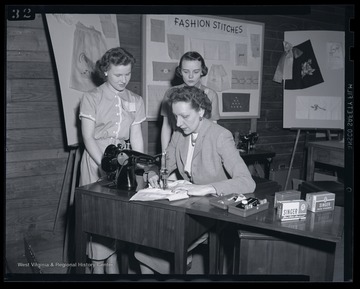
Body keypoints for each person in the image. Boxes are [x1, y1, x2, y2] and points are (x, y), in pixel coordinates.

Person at [134, 86, 256, 274]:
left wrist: (206, 188)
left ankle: (180, 262)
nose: (179, 122)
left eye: (185, 116)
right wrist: (153, 173)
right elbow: (163, 164)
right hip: (190, 206)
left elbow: (247, 182)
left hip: (214, 210)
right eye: (175, 116)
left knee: (163, 239)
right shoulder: (179, 134)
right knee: (145, 239)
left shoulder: (220, 136)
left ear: (200, 111)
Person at [78, 47, 146, 274]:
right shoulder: (91, 97)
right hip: (96, 159)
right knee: (98, 217)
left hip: (124, 161)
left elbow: (136, 137)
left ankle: (113, 263)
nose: (124, 80)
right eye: (118, 75)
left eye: (128, 74)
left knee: (118, 218)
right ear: (106, 71)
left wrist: (140, 167)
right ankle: (97, 267)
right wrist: (105, 166)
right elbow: (87, 137)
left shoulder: (135, 99)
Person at [160, 51, 220, 151]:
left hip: (202, 146)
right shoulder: (171, 93)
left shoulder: (211, 94)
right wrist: (164, 154)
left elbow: (213, 127)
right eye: (186, 71)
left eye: (196, 72)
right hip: (177, 145)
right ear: (180, 71)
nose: (191, 76)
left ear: (202, 71)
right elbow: (166, 127)